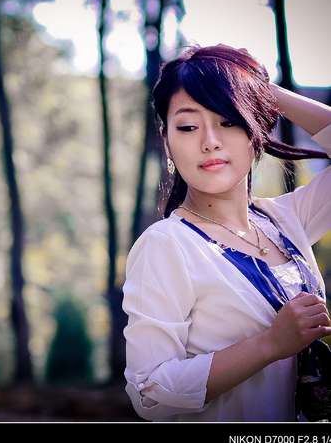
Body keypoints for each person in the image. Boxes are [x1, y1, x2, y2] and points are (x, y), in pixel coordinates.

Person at [122, 43, 331, 422]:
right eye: (188, 127)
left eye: (229, 121)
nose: (209, 141)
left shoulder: (285, 220)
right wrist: (270, 344)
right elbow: (149, 392)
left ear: (255, 131)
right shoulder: (167, 245)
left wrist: (261, 89)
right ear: (167, 142)